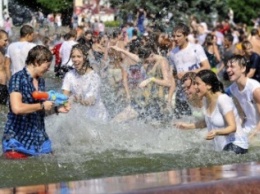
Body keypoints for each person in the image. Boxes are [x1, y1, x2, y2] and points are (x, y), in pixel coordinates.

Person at [2, 45, 70, 159]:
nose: (48, 69)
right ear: (37, 62)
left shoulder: (41, 81)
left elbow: (39, 112)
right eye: (47, 65)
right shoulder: (18, 78)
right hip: (17, 141)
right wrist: (41, 105)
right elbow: (16, 108)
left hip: (38, 139)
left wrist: (57, 109)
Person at [175, 69, 248, 154]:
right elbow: (208, 121)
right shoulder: (206, 100)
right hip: (224, 147)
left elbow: (232, 127)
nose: (195, 87)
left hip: (237, 145)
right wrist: (188, 126)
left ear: (208, 86)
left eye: (197, 84)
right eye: (194, 84)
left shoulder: (223, 99)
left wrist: (216, 132)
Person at [169, 23, 210, 118]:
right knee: (182, 122)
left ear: (186, 35)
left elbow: (207, 67)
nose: (175, 39)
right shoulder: (172, 53)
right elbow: (173, 76)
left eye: (178, 36)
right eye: (174, 36)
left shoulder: (196, 48)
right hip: (182, 92)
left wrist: (187, 74)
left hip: (197, 90)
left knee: (202, 117)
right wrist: (170, 97)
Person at [62, 44, 109, 122]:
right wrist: (67, 101)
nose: (75, 59)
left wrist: (78, 100)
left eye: (79, 56)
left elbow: (91, 101)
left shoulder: (94, 77)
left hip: (98, 117)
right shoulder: (69, 75)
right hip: (81, 117)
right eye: (73, 56)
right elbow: (64, 97)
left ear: (85, 57)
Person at [225, 55, 260, 140]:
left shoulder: (255, 89)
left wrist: (252, 136)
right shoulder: (233, 88)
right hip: (248, 129)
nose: (228, 70)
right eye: (227, 67)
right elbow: (241, 115)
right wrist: (234, 129)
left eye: (232, 66)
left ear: (243, 68)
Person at [0, 30, 9, 105]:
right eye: (5, 40)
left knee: (4, 106)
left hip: (4, 85)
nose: (6, 42)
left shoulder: (4, 50)